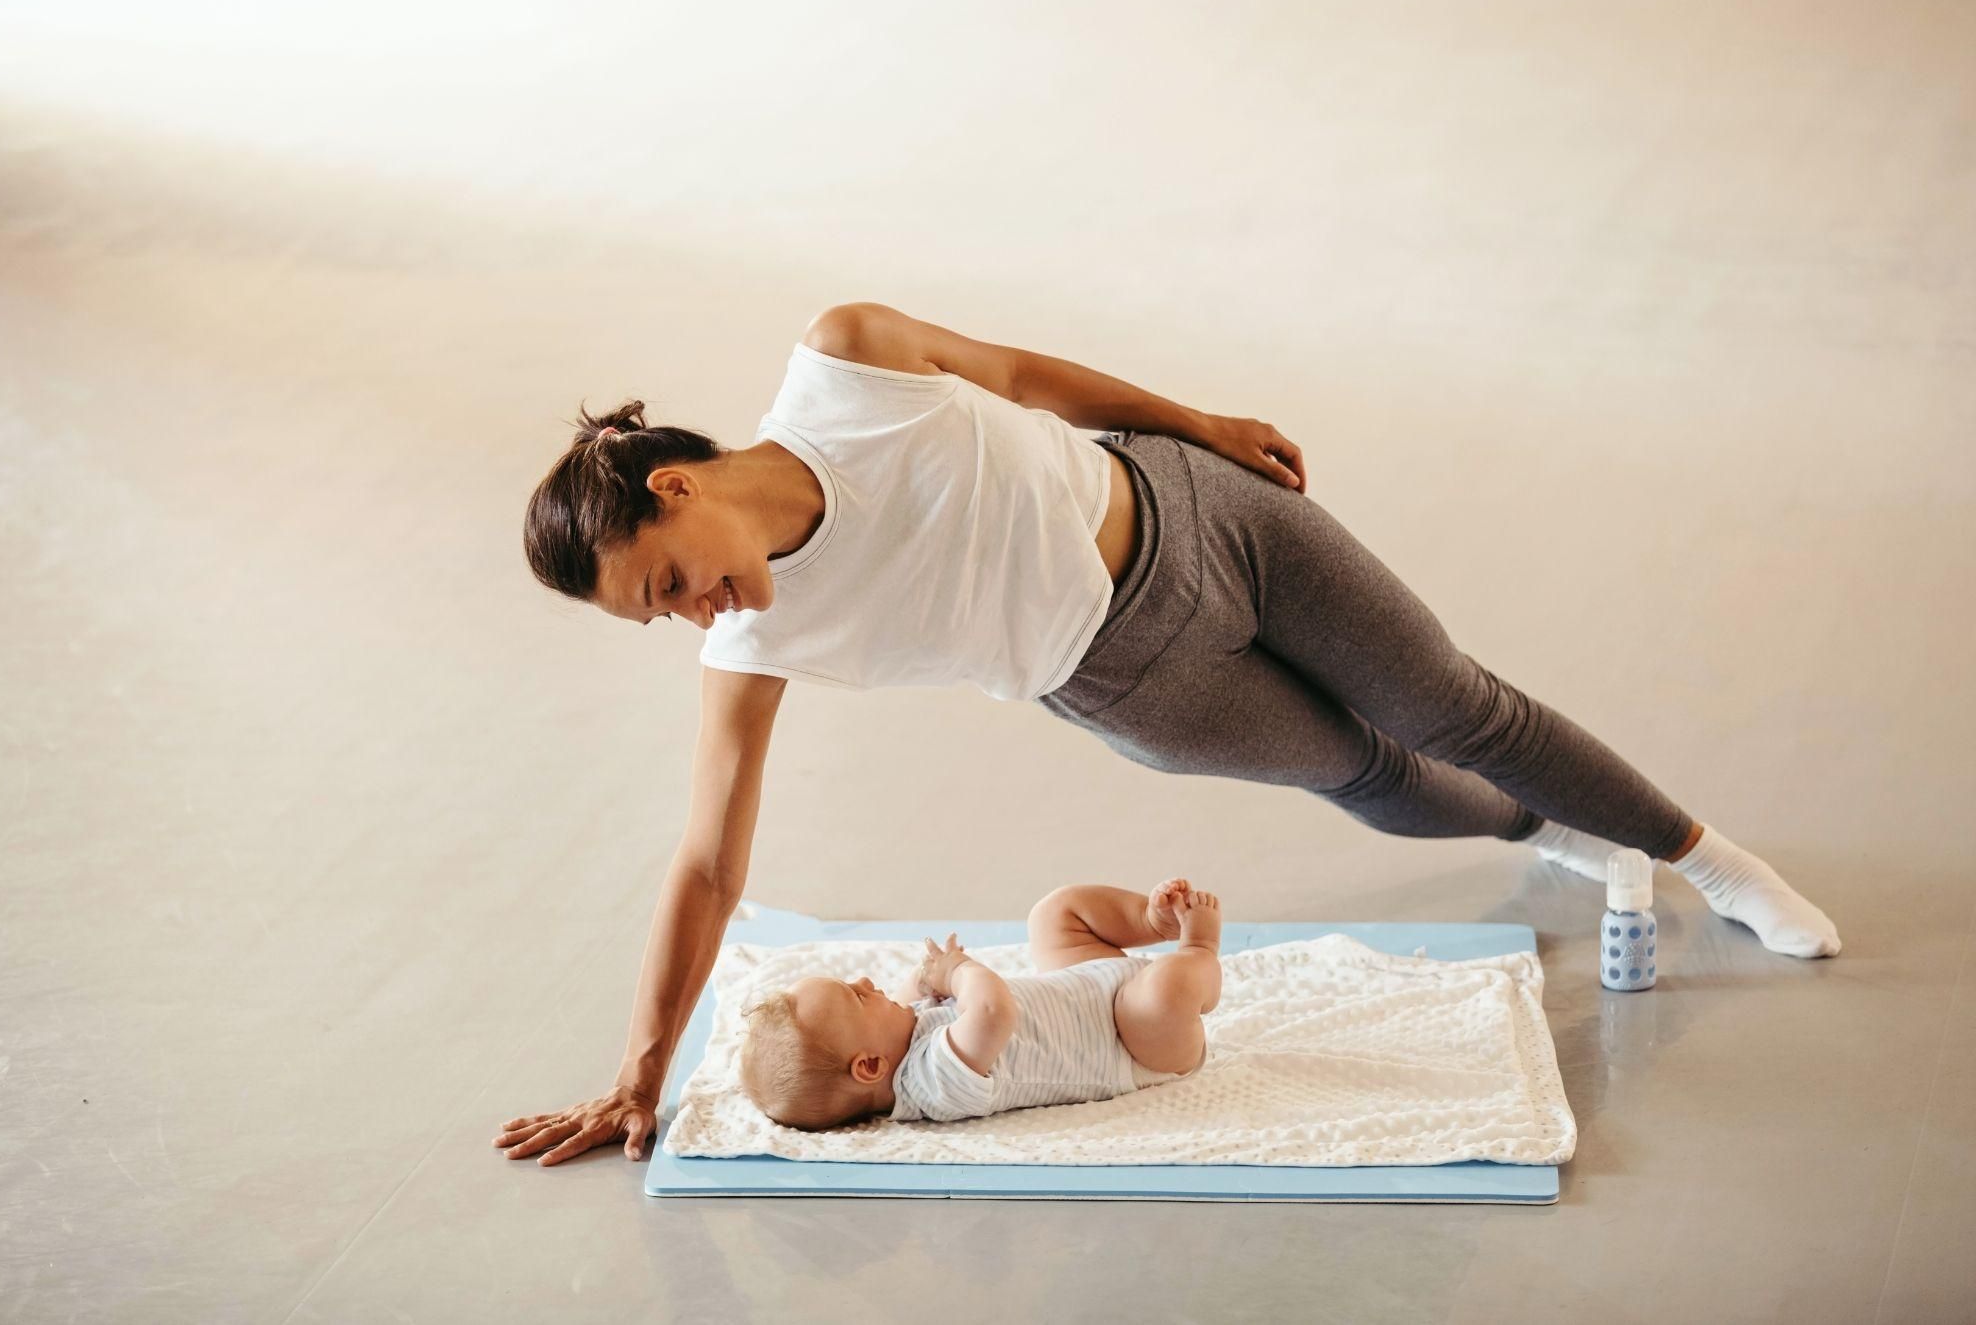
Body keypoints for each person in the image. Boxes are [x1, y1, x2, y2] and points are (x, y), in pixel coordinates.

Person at [493, 302, 1841, 1167]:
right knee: (1373, 774)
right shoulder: (756, 644)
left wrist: (1198, 423)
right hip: (1134, 682)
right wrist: (635, 1077)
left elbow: (1017, 371)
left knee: (1455, 705)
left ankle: (1710, 858)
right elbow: (707, 865)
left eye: (666, 582)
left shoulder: (843, 362)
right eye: (658, 620)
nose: (691, 616)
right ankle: (1547, 822)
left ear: (675, 488)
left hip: (1204, 514)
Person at [738, 879, 1221, 1131]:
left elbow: (911, 995)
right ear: (868, 1065)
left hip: (1085, 984)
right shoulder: (933, 1083)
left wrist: (927, 976)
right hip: (1134, 1042)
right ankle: (1198, 950)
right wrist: (958, 972)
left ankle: (1152, 920)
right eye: (857, 995)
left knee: (1055, 913)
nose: (867, 980)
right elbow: (994, 1012)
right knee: (1164, 992)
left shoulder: (900, 1035)